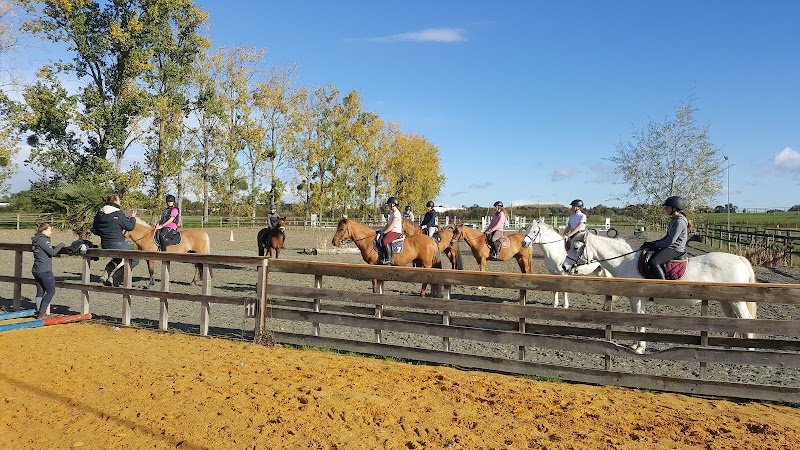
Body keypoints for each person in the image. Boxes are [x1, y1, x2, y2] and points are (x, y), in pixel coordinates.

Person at [92, 193, 138, 286]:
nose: (120, 201)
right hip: (118, 243)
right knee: (135, 259)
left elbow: (95, 231)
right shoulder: (118, 213)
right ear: (115, 201)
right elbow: (129, 227)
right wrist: (133, 218)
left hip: (105, 244)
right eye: (119, 199)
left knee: (117, 258)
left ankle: (106, 273)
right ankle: (115, 276)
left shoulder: (99, 213)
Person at [642, 196, 690, 280]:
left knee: (654, 262)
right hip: (671, 246)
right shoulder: (674, 220)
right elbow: (667, 237)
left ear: (674, 209)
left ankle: (664, 286)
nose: (665, 209)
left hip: (675, 249)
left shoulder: (679, 222)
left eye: (667, 207)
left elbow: (670, 240)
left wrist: (655, 244)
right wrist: (653, 243)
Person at [31, 221, 66, 319]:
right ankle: (42, 313)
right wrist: (61, 245)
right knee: (51, 291)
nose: (51, 232)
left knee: (40, 291)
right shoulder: (43, 240)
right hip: (44, 269)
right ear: (44, 231)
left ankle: (39, 311)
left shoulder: (36, 239)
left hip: (36, 269)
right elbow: (52, 252)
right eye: (50, 230)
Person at [381, 197, 403, 264]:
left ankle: (389, 259)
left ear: (393, 204)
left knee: (385, 241)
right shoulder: (391, 212)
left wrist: (385, 232)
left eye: (389, 204)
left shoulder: (396, 213)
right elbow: (388, 224)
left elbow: (392, 225)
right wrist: (382, 230)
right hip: (391, 230)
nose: (388, 206)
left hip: (396, 231)